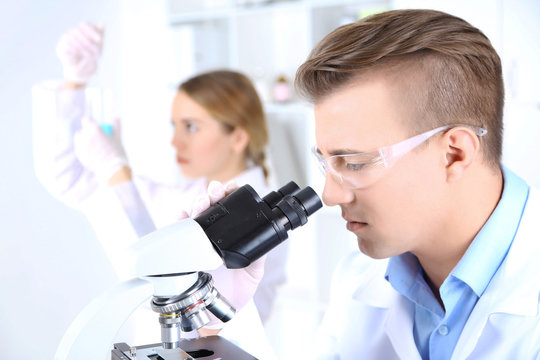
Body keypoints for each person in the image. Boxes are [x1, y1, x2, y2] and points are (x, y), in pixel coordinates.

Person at [286, 8, 540, 359]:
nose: (331, 195)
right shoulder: (357, 279)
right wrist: (215, 324)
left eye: (357, 162)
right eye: (326, 162)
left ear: (454, 154)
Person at [32, 22, 286, 355]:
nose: (174, 140)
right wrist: (74, 82)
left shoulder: (261, 217)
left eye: (191, 127)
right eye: (174, 125)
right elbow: (71, 178)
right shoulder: (190, 194)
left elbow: (154, 274)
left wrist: (117, 173)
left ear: (238, 137)